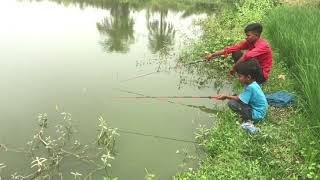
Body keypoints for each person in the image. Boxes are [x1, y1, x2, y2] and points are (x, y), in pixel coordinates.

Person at [206, 23, 272, 84]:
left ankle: (250, 80)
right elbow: (231, 49)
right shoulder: (249, 42)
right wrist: (212, 55)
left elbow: (246, 56)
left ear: (256, 35)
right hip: (254, 69)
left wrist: (234, 67)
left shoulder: (263, 45)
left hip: (261, 75)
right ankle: (244, 77)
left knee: (249, 59)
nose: (246, 37)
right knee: (236, 52)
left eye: (248, 35)